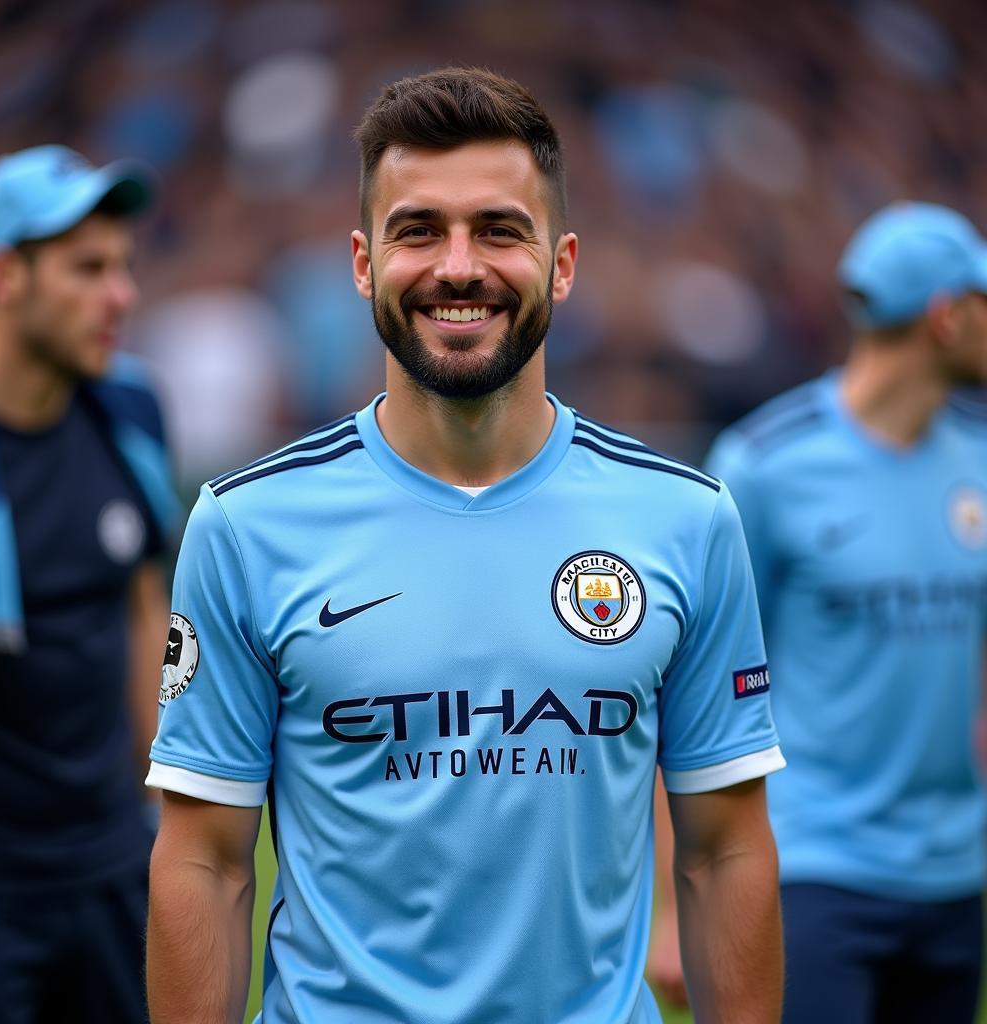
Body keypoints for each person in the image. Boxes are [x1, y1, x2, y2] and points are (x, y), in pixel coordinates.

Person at [145, 67, 785, 1024]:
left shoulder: (686, 519)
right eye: (417, 231)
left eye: (498, 229)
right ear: (362, 265)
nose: (457, 266)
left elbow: (724, 845)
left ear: (562, 264)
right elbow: (205, 860)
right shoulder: (244, 526)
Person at [698, 201, 987, 1023]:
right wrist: (675, 903)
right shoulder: (764, 464)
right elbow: (697, 681)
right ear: (948, 317)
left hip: (953, 877)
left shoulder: (980, 458)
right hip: (817, 867)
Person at [0, 145, 179, 1022]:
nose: (121, 295)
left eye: (124, 267)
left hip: (114, 870)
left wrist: (174, 824)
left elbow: (141, 613)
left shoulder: (132, 408)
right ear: (5, 276)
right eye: (88, 269)